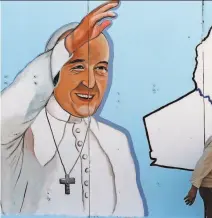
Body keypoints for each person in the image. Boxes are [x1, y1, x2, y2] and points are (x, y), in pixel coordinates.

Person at [1, 1, 143, 216]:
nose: (90, 82)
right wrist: (68, 45)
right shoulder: (16, 137)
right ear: (53, 71)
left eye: (101, 68)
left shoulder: (116, 141)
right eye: (77, 66)